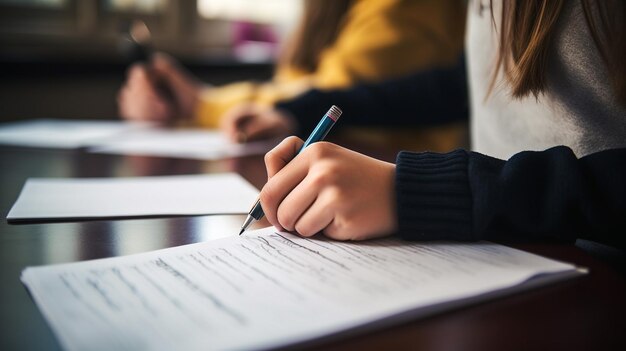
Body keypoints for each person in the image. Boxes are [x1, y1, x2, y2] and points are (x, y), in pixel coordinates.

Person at [256, 0, 626, 250]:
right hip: (498, 247)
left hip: (597, 273)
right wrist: (302, 110)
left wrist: (419, 191)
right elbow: (470, 82)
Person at [117, 0, 467, 149]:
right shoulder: (324, 11)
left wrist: (201, 105)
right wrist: (197, 103)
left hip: (393, 172)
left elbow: (337, 91)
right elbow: (295, 91)